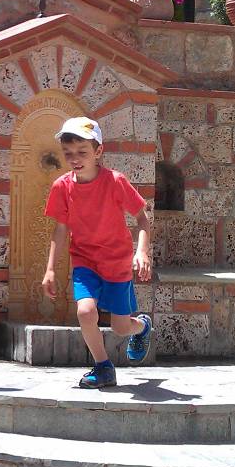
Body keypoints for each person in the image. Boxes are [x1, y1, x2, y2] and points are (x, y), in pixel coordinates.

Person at [41, 116, 156, 388]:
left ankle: (142, 326)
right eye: (68, 153)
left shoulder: (115, 182)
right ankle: (103, 367)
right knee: (85, 312)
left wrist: (142, 252)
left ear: (98, 151)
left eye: (82, 152)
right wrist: (50, 269)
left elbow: (142, 219)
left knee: (120, 328)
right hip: (85, 261)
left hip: (117, 263)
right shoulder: (62, 187)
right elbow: (60, 229)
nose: (75, 158)